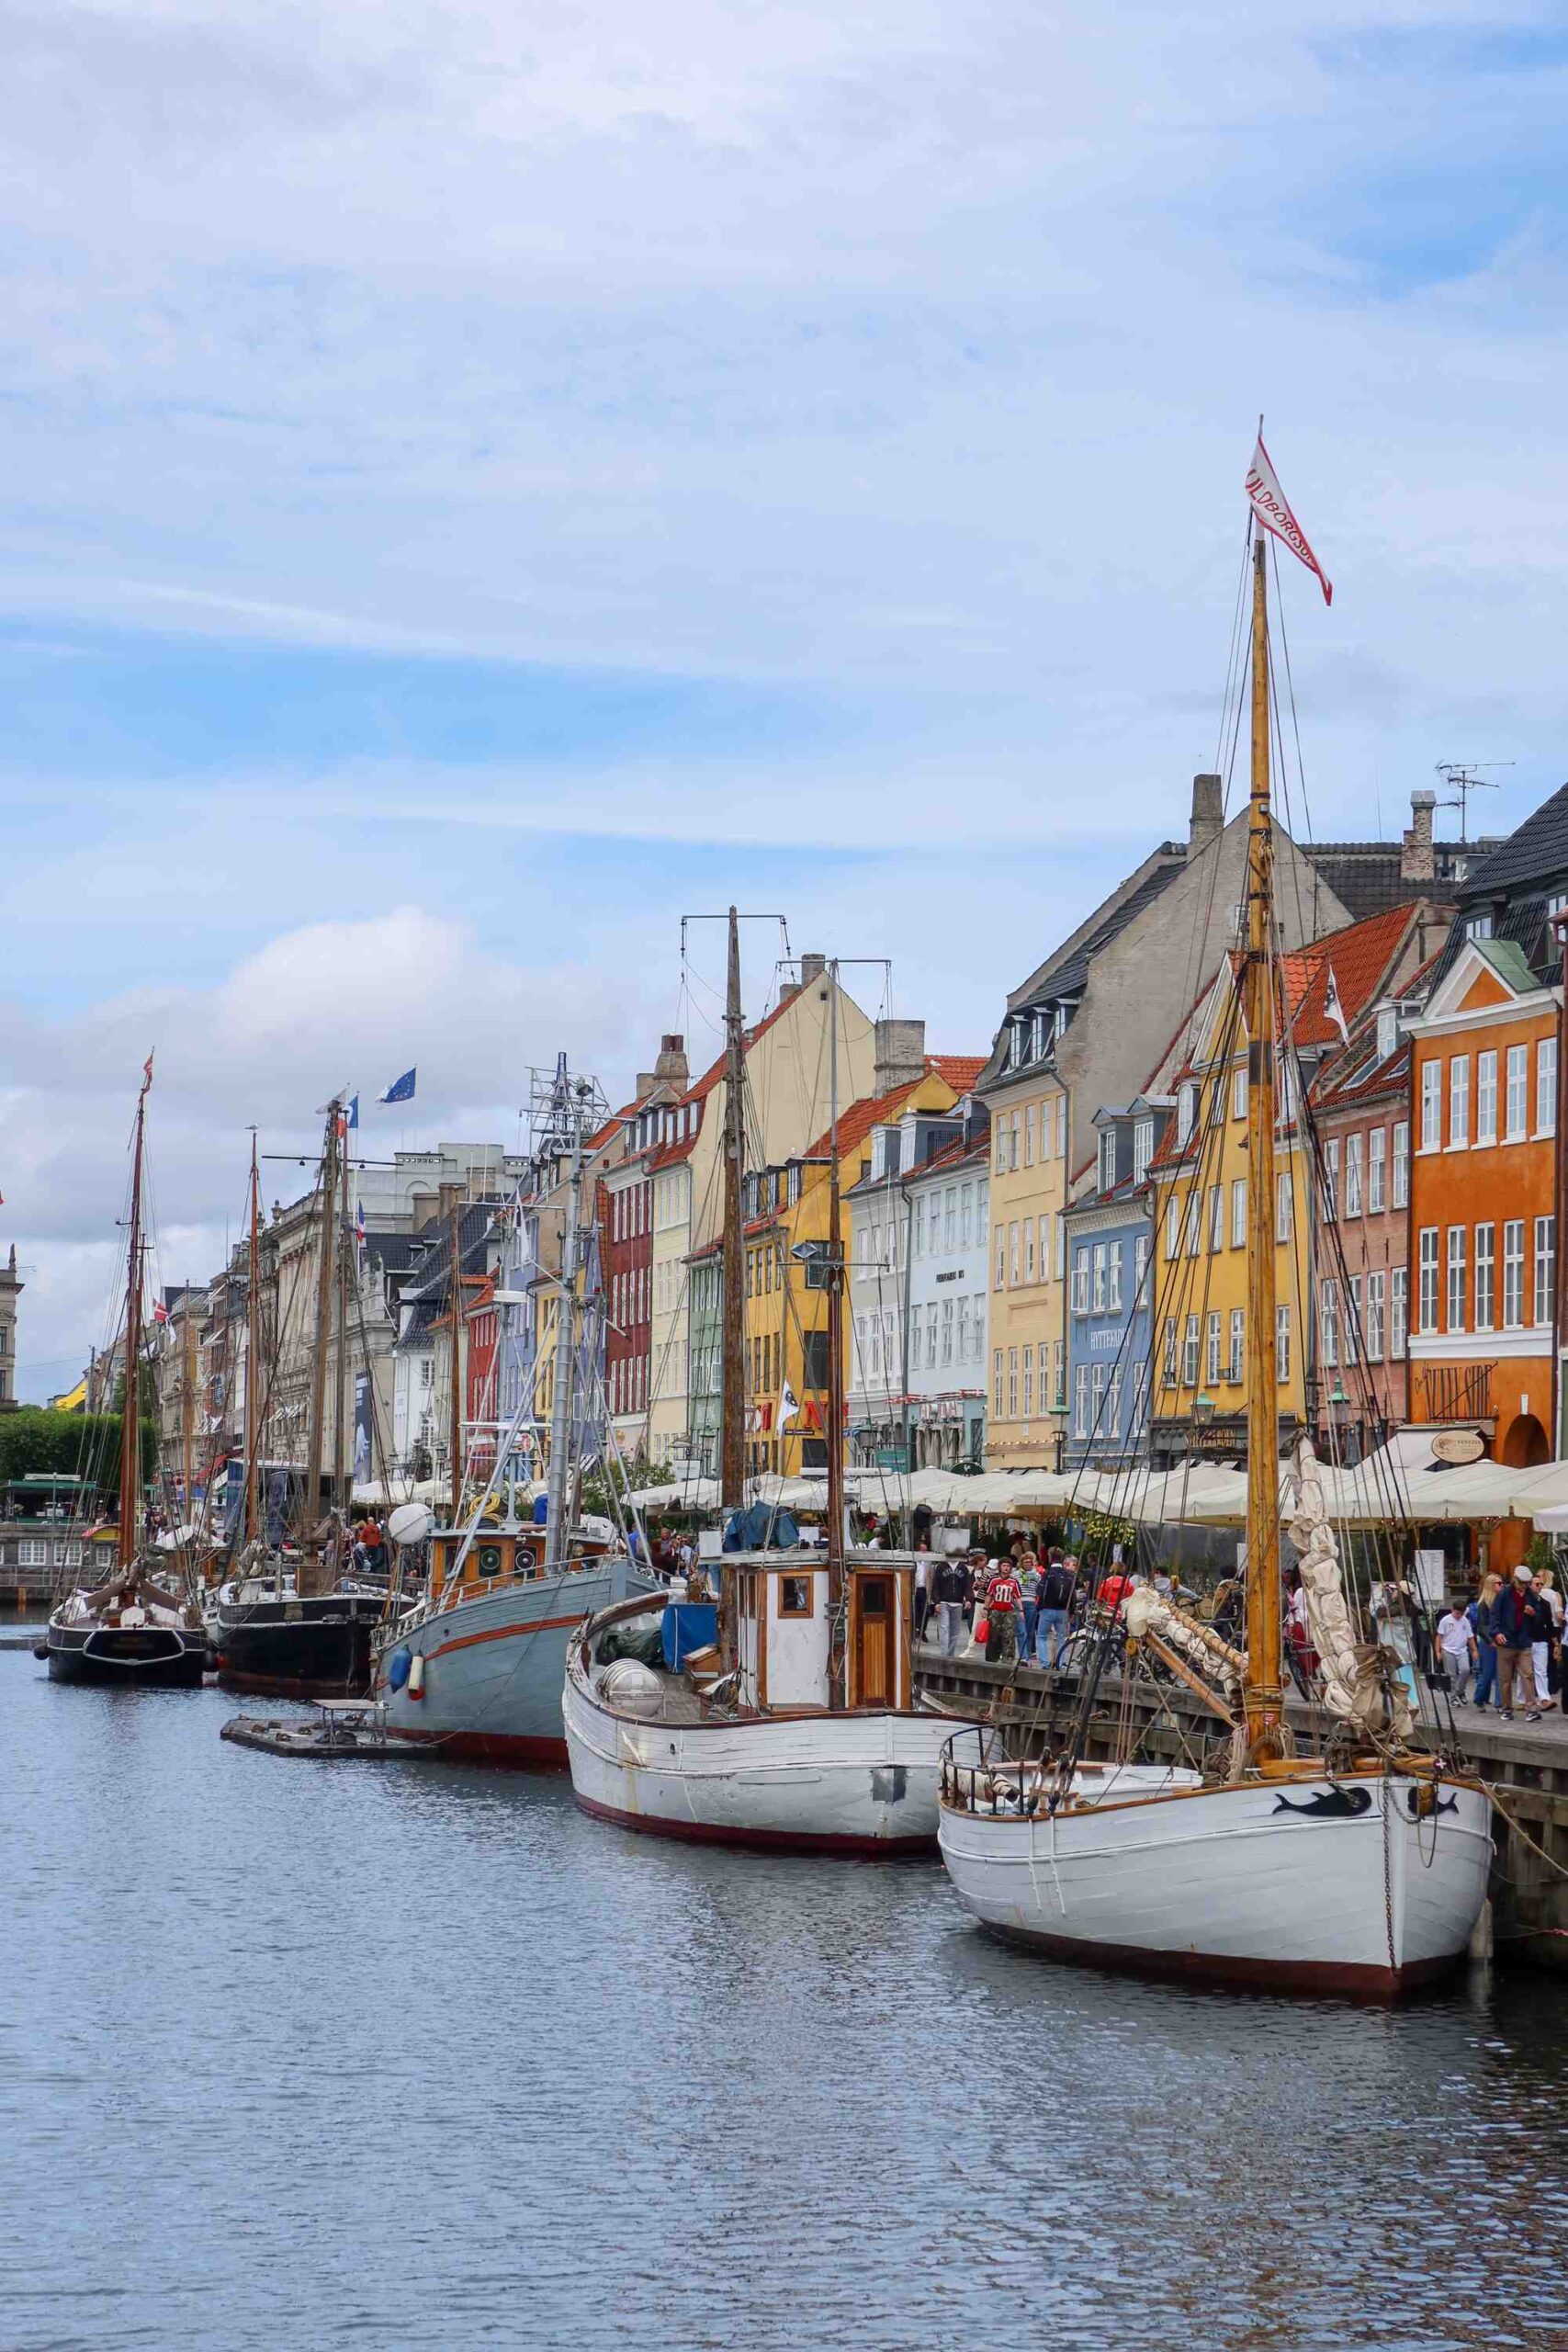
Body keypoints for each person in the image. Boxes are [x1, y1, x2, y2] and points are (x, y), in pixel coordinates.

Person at [1492, 1566, 1548, 1724]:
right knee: (1505, 1678)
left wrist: (1533, 1614)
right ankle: (1507, 1709)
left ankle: (1531, 1709)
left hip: (1523, 1641)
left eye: (1526, 1583)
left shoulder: (1531, 1595)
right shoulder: (1504, 1594)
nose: (1523, 1586)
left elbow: (1540, 1617)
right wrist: (1497, 1633)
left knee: (1527, 1674)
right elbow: (1494, 1615)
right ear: (1514, 1580)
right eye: (1521, 1582)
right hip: (1506, 1641)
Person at [1037, 1547, 1075, 1668]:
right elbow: (1072, 1594)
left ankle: (1045, 1663)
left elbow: (1040, 1591)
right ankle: (1060, 1663)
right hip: (1063, 1610)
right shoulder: (1069, 1574)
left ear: (1049, 1557)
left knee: (1041, 1636)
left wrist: (1039, 1607)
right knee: (1061, 1638)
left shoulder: (1047, 1574)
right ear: (1063, 1559)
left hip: (1047, 1609)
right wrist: (1071, 1611)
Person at [1435, 1597, 1477, 1703]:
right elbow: (1439, 1637)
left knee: (1465, 1670)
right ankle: (1452, 1697)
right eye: (1457, 1613)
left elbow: (1470, 1637)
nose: (1458, 1616)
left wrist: (1474, 1650)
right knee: (1451, 1675)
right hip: (1448, 1650)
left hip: (1462, 1650)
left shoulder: (1465, 1621)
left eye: (1461, 1614)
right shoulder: (1445, 1620)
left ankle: (1460, 1691)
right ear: (1452, 1610)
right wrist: (1438, 1652)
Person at [1470, 1572, 1502, 1711]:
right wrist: (1490, 1640)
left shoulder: (1502, 1601)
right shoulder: (1483, 1604)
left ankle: (1500, 1703)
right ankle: (1480, 1698)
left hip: (1502, 1639)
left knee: (1501, 1674)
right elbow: (1482, 1626)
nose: (1501, 1586)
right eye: (1498, 1583)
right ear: (1491, 1585)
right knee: (1487, 1673)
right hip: (1488, 1641)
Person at [984, 1556, 1023, 1667]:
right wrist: (985, 1609)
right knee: (994, 1635)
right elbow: (989, 1595)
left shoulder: (1014, 1582)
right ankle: (992, 1658)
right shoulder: (994, 1580)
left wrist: (1021, 1610)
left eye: (1008, 1566)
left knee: (1009, 1635)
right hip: (995, 1610)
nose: (1006, 1568)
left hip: (1009, 1611)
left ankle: (1008, 1658)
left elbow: (1018, 1597)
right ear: (1000, 1567)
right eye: (1004, 1566)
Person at [931, 1553, 971, 1658]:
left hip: (958, 1602)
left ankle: (950, 1655)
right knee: (944, 1628)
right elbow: (935, 1585)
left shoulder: (963, 1568)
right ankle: (944, 1655)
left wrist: (968, 1599)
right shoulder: (941, 1567)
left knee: (955, 1631)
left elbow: (968, 1585)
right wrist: (936, 1602)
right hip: (944, 1602)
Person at [1533, 1566, 1562, 1702]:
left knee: (1538, 1664)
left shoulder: (1535, 1595)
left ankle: (1539, 1691)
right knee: (1549, 1663)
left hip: (1539, 1630)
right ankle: (1549, 1689)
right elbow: (1558, 1615)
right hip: (1552, 1629)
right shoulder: (1554, 1594)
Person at [1017, 1551, 1042, 1668]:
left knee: (1030, 1631)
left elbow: (1039, 1587)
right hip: (1019, 1603)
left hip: (1031, 1603)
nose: (1028, 1564)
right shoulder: (1016, 1574)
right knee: (1021, 1631)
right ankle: (1024, 1656)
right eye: (1025, 1562)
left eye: (1030, 1562)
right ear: (1022, 1563)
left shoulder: (1036, 1575)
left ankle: (1028, 1655)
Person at [912, 1547, 932, 1644]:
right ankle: (916, 1630)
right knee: (916, 1611)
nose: (923, 1552)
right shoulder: (914, 1563)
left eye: (925, 1550)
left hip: (925, 1590)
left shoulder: (928, 1564)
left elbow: (931, 1577)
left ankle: (922, 1630)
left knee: (927, 1611)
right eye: (921, 1550)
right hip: (916, 1590)